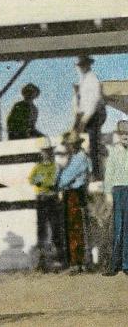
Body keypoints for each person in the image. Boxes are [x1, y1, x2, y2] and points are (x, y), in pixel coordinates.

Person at [56, 131, 92, 274]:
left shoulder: (79, 158)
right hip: (73, 193)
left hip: (75, 194)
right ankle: (78, 262)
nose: (69, 147)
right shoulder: (76, 157)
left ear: (75, 145)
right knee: (74, 228)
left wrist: (60, 180)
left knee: (75, 228)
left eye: (70, 144)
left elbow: (64, 179)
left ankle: (78, 263)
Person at [28, 137, 65, 272]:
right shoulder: (38, 167)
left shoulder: (56, 166)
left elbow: (53, 182)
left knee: (56, 228)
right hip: (41, 200)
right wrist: (44, 182)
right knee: (41, 230)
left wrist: (43, 182)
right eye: (44, 151)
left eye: (48, 151)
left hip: (52, 199)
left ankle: (58, 260)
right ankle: (42, 261)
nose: (46, 153)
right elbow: (32, 180)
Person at [73, 55, 106, 180]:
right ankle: (84, 172)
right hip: (84, 116)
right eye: (79, 66)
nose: (81, 68)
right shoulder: (83, 80)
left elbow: (93, 102)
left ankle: (97, 174)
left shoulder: (92, 80)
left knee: (93, 144)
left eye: (83, 65)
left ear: (88, 65)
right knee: (78, 142)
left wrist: (85, 119)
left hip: (94, 115)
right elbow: (80, 102)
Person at [103, 120, 128, 276]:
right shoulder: (114, 151)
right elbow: (109, 174)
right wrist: (108, 194)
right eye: (123, 133)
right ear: (118, 135)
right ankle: (114, 265)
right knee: (118, 228)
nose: (125, 136)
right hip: (118, 191)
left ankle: (126, 265)